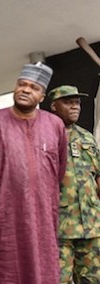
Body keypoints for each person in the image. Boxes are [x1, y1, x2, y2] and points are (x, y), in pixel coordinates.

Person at [0, 62, 68, 284]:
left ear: (42, 96)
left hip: (43, 215)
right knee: (6, 270)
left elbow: (59, 171)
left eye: (34, 87)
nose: (26, 90)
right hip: (4, 216)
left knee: (43, 269)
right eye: (22, 84)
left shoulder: (55, 125)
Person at [48, 85, 100, 283]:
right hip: (61, 227)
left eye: (77, 102)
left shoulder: (87, 137)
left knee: (92, 278)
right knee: (59, 279)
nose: (75, 106)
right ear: (54, 106)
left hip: (92, 224)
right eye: (68, 102)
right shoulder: (46, 135)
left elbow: (98, 175)